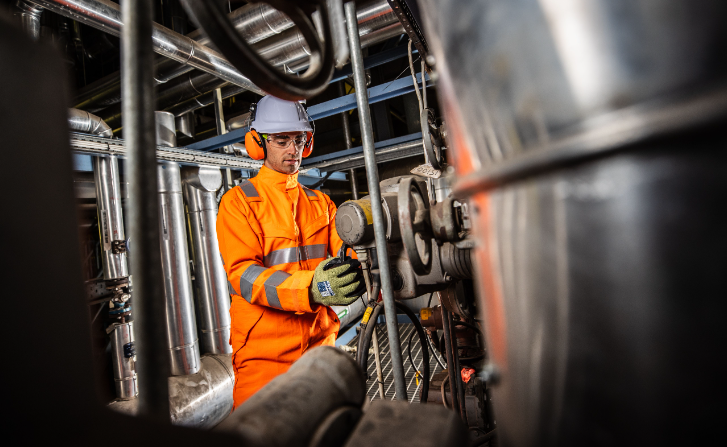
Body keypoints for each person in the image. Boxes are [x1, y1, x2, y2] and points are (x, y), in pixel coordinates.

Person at [216, 95, 366, 409]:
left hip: (319, 348)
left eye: (299, 140)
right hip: (263, 357)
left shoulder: (320, 203)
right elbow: (244, 275)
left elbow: (348, 258)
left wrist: (360, 265)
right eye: (281, 140)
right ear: (257, 144)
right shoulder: (238, 202)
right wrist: (315, 288)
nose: (293, 149)